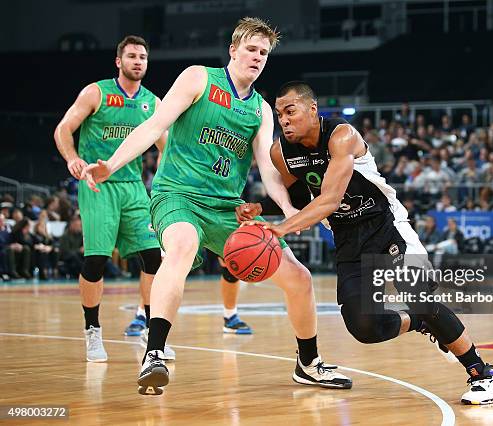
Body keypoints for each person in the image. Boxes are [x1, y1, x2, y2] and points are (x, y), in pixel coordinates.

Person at [82, 18, 351, 395]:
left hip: (227, 209)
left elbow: (268, 171)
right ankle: (154, 353)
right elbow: (154, 125)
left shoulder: (259, 109)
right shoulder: (198, 78)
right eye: (251, 50)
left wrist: (289, 209)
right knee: (182, 246)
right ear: (233, 50)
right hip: (177, 196)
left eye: (263, 53)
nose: (257, 57)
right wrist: (112, 163)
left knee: (300, 277)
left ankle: (308, 363)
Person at [239, 81, 493, 405]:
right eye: (279, 114)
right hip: (348, 239)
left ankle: (482, 372)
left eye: (290, 111)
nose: (284, 120)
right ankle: (418, 322)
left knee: (418, 294)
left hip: (385, 225)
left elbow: (329, 199)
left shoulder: (341, 136)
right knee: (364, 327)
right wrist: (260, 207)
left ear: (312, 109)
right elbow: (296, 199)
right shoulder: (281, 153)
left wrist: (280, 229)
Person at [54, 35, 172, 362]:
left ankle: (152, 329)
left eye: (143, 57)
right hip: (97, 184)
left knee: (152, 257)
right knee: (96, 260)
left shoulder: (154, 103)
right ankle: (92, 331)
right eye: (132, 56)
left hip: (134, 186)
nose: (138, 61)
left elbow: (166, 149)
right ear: (118, 61)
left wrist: (160, 183)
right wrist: (72, 159)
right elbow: (63, 129)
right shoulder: (97, 92)